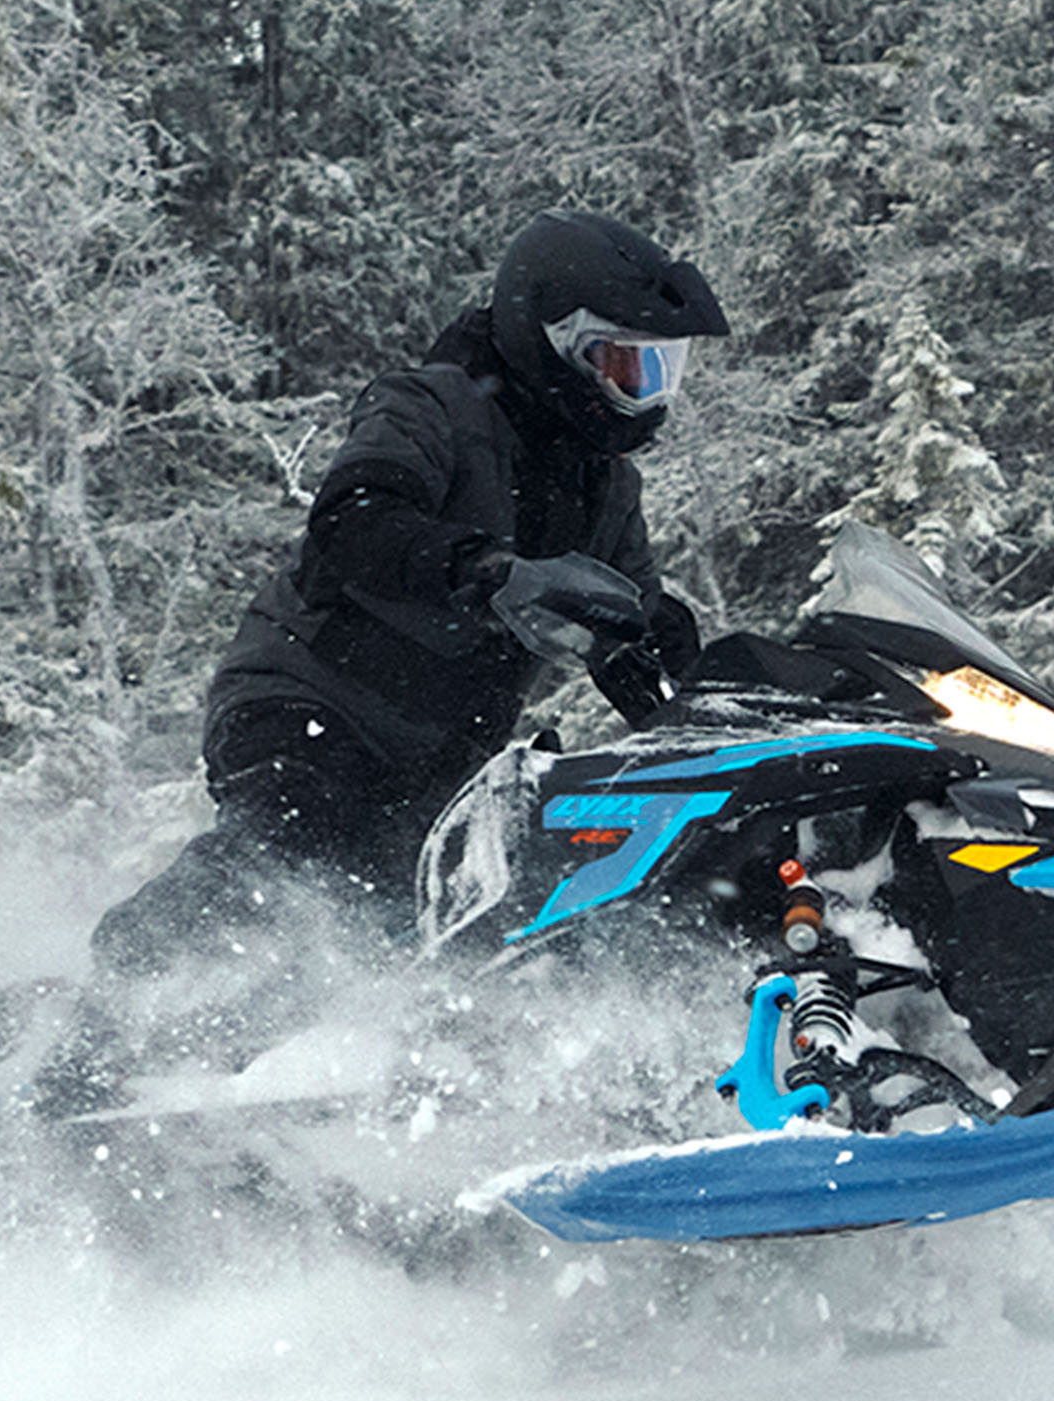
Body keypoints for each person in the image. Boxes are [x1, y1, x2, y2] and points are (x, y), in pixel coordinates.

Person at [85, 209, 729, 987]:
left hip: (440, 751)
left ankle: (295, 1069)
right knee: (285, 858)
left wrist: (715, 697)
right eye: (627, 368)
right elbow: (357, 517)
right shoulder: (434, 406)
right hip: (312, 696)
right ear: (553, 344)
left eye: (661, 371)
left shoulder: (607, 485)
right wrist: (486, 569)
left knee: (398, 939)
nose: (645, 394)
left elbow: (635, 616)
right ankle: (115, 999)